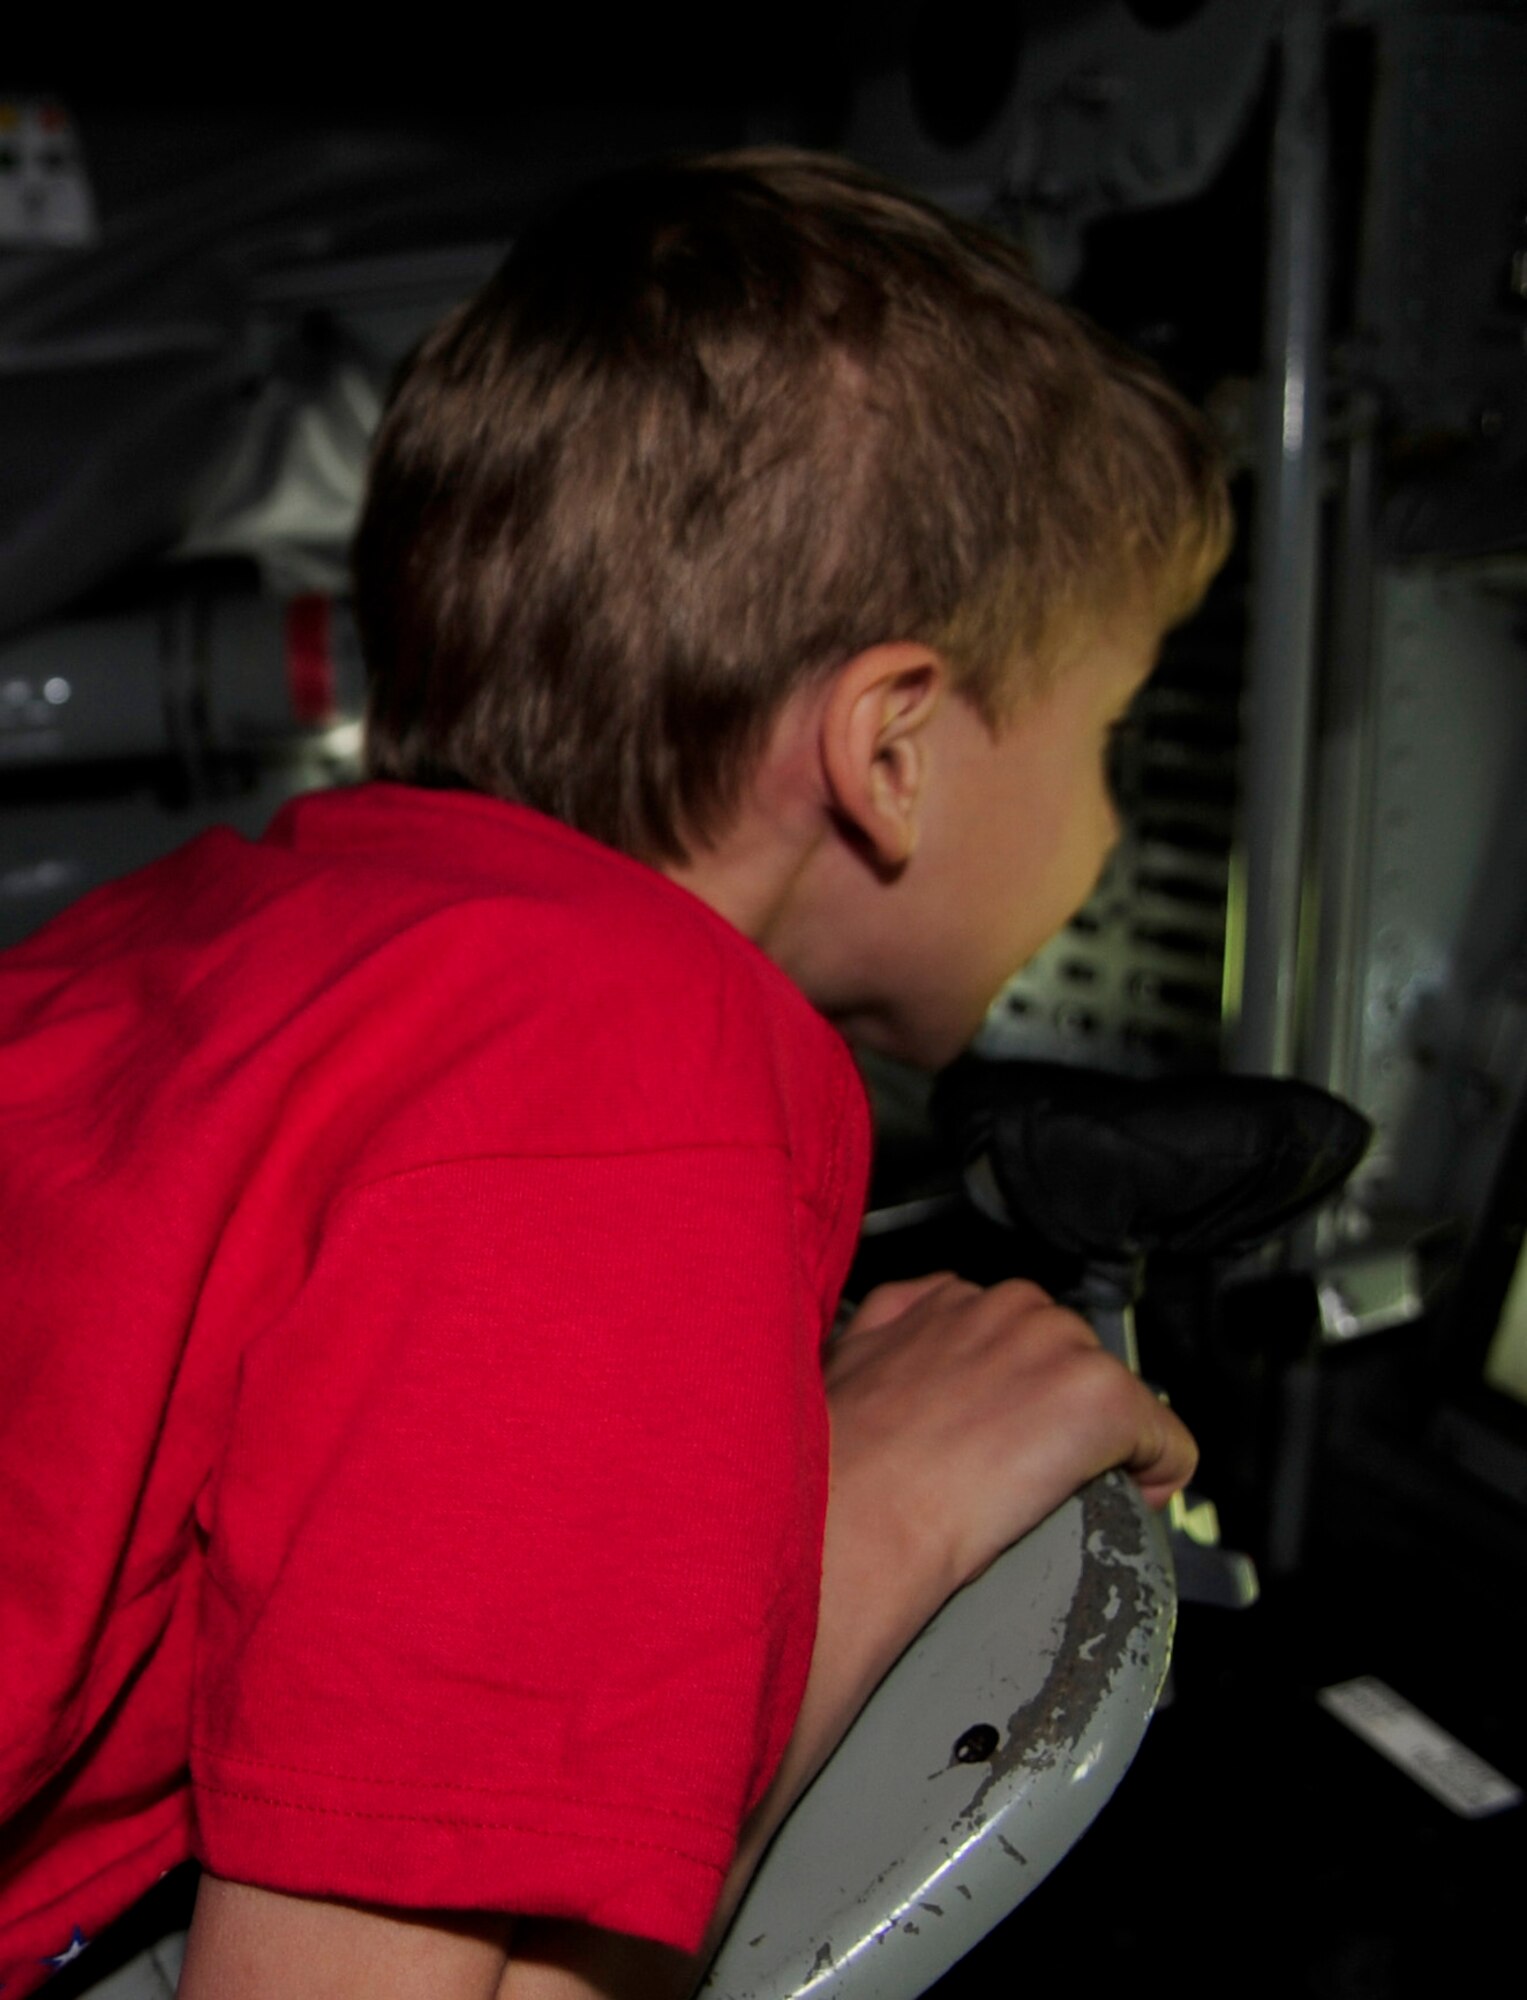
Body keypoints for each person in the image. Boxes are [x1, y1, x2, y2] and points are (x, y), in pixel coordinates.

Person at [0, 149, 1227, 2000]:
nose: (1113, 817)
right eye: (1109, 731)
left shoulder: (228, 928)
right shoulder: (632, 1058)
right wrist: (884, 1504)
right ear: (894, 744)